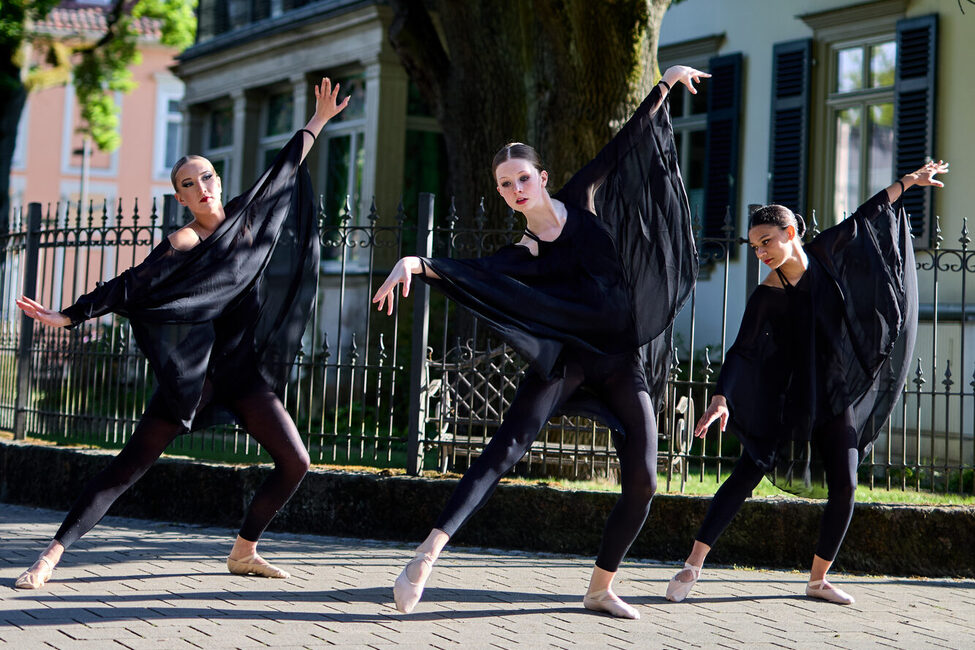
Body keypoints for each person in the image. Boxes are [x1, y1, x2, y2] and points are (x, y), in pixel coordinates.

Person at [373, 66, 706, 618]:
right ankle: (425, 557)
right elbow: (471, 272)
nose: (514, 191)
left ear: (543, 177)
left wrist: (665, 83)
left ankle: (600, 587)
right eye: (504, 185)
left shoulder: (582, 197)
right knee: (506, 448)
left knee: (644, 480)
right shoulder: (523, 253)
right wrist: (415, 262)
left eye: (521, 179)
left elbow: (625, 143)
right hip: (569, 359)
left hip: (622, 358)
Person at [13, 78, 349, 590]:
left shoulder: (247, 216)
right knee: (129, 466)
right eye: (189, 184)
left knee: (296, 461)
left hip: (243, 374)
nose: (202, 187)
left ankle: (243, 552)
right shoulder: (185, 239)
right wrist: (71, 314)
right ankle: (50, 556)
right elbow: (133, 284)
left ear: (218, 179)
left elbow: (284, 168)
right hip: (195, 376)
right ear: (180, 196)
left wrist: (319, 120)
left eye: (206, 177)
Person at [666, 160, 948, 605]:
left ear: (791, 233)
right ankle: (692, 565)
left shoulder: (824, 253)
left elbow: (863, 217)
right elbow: (741, 349)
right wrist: (721, 396)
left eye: (767, 242)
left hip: (835, 393)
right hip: (786, 397)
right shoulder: (767, 294)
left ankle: (818, 579)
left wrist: (907, 183)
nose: (761, 252)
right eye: (755, 246)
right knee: (746, 473)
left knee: (847, 484)